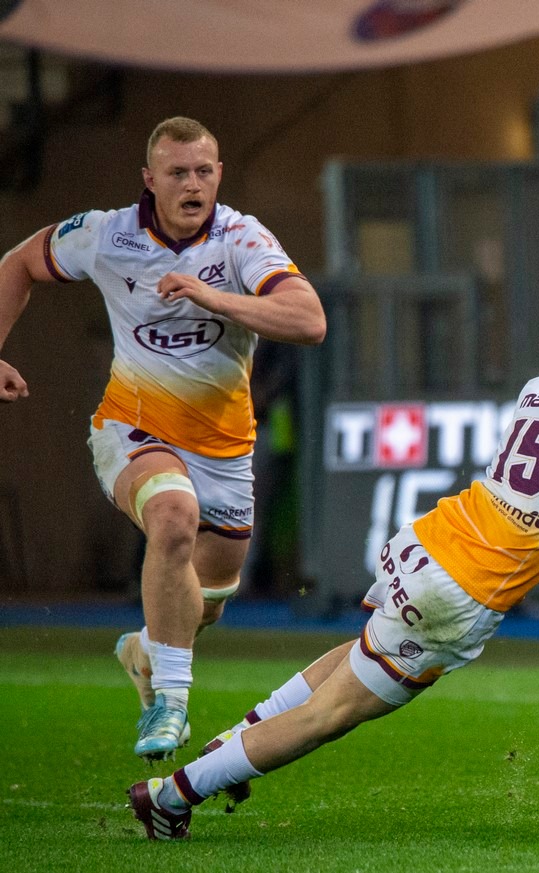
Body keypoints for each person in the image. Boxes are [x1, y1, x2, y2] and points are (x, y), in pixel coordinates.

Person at [127, 342, 539, 840]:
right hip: (463, 590)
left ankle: (232, 745)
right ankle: (172, 796)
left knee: (358, 653)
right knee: (329, 717)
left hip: (428, 542)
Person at [0, 117, 326, 760]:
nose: (192, 184)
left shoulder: (241, 238)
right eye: (178, 172)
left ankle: (145, 650)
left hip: (224, 448)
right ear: (150, 180)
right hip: (132, 428)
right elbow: (19, 263)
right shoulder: (107, 234)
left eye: (204, 171)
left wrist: (215, 297)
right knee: (173, 518)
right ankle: (170, 704)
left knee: (206, 604)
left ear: (219, 175)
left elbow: (309, 320)